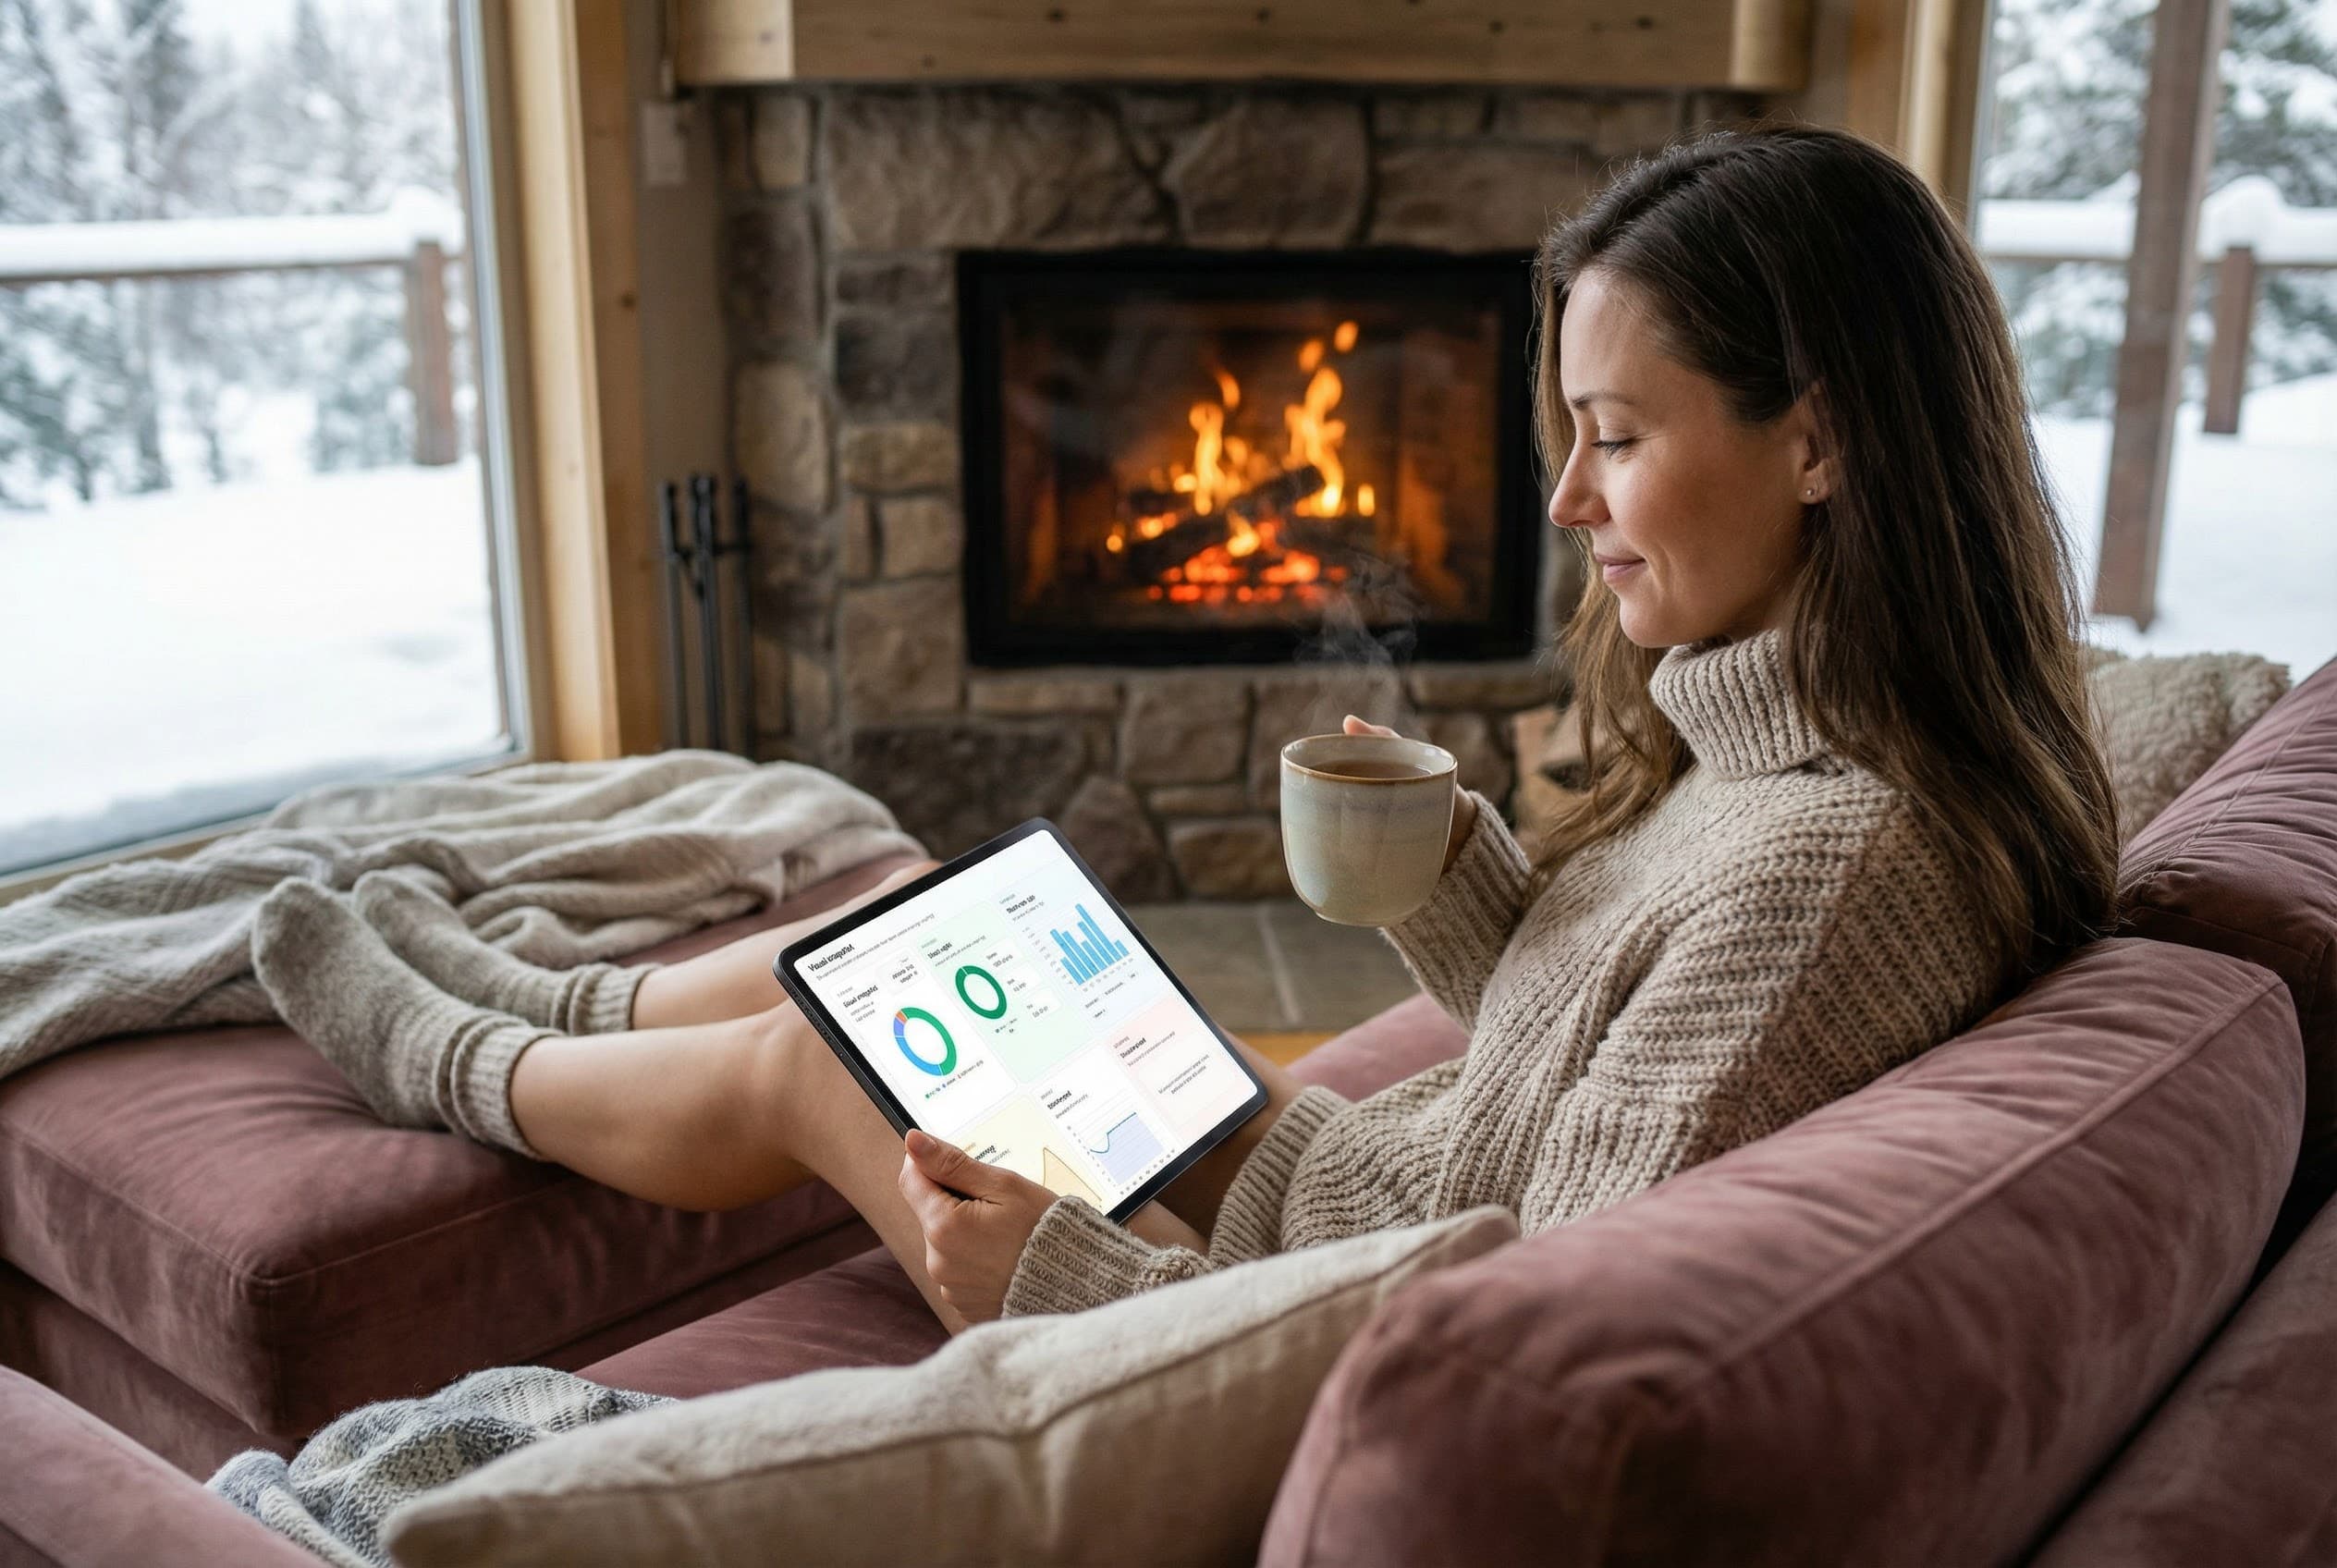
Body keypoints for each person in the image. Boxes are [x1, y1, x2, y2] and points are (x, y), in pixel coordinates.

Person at [259, 122, 2118, 1336]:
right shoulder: (1817, 749)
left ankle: (440, 1053)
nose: (1563, 500)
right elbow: (1606, 1053)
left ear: (1819, 434)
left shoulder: (1831, 854)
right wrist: (1459, 865)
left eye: (1615, 436)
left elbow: (1534, 1319)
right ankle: (540, 996)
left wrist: (1084, 1275)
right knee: (982, 936)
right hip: (1302, 1173)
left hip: (1236, 1282)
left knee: (836, 1064)